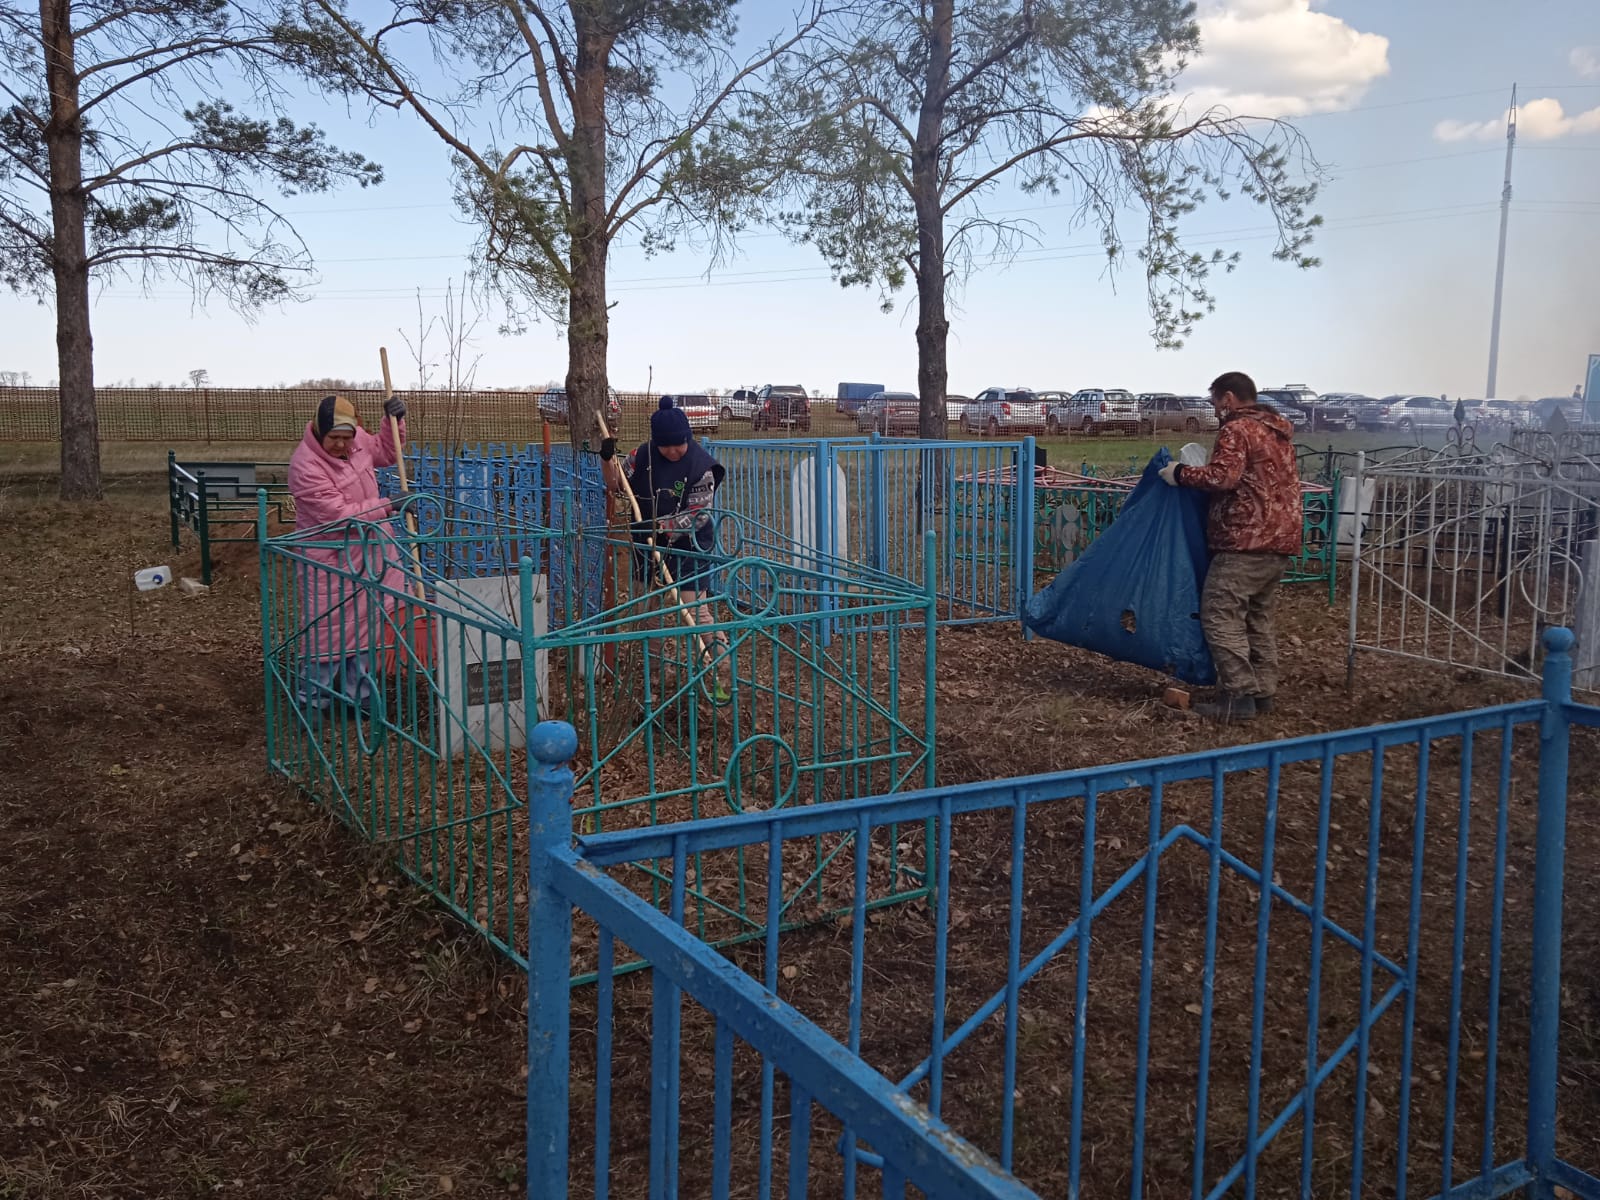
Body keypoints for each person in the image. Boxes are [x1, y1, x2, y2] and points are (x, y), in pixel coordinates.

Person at [1158, 371, 1302, 722]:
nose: (1214, 409)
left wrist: (1179, 474)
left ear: (1228, 398)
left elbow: (1223, 477)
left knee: (1220, 613)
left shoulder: (1237, 429)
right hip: (1280, 539)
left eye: (1214, 402)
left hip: (1244, 539)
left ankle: (1238, 696)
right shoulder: (1277, 432)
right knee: (1256, 616)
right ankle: (1262, 691)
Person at [287, 392, 409, 711]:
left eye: (346, 437)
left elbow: (386, 452)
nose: (342, 445)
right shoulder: (306, 466)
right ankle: (312, 701)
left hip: (370, 554)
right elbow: (338, 517)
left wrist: (393, 422)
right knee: (327, 635)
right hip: (330, 560)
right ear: (319, 432)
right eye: (334, 438)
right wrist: (387, 506)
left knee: (369, 628)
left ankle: (361, 697)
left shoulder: (358, 442)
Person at [599, 396, 729, 671]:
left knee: (696, 611)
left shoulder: (701, 466)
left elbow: (699, 514)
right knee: (648, 613)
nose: (672, 451)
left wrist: (665, 527)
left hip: (689, 548)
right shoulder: (640, 457)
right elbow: (616, 485)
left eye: (678, 444)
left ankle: (723, 666)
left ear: (687, 437)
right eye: (665, 446)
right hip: (647, 546)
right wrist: (607, 459)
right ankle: (655, 670)